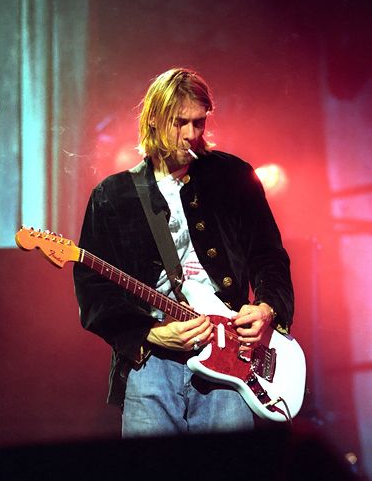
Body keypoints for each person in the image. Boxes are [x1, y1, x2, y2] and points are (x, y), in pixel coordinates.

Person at [73, 67, 294, 437]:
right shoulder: (113, 195)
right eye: (181, 123)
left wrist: (267, 308)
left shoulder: (234, 177)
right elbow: (94, 290)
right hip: (152, 364)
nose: (192, 134)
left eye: (199, 122)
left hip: (229, 357)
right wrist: (150, 333)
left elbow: (269, 256)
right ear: (155, 119)